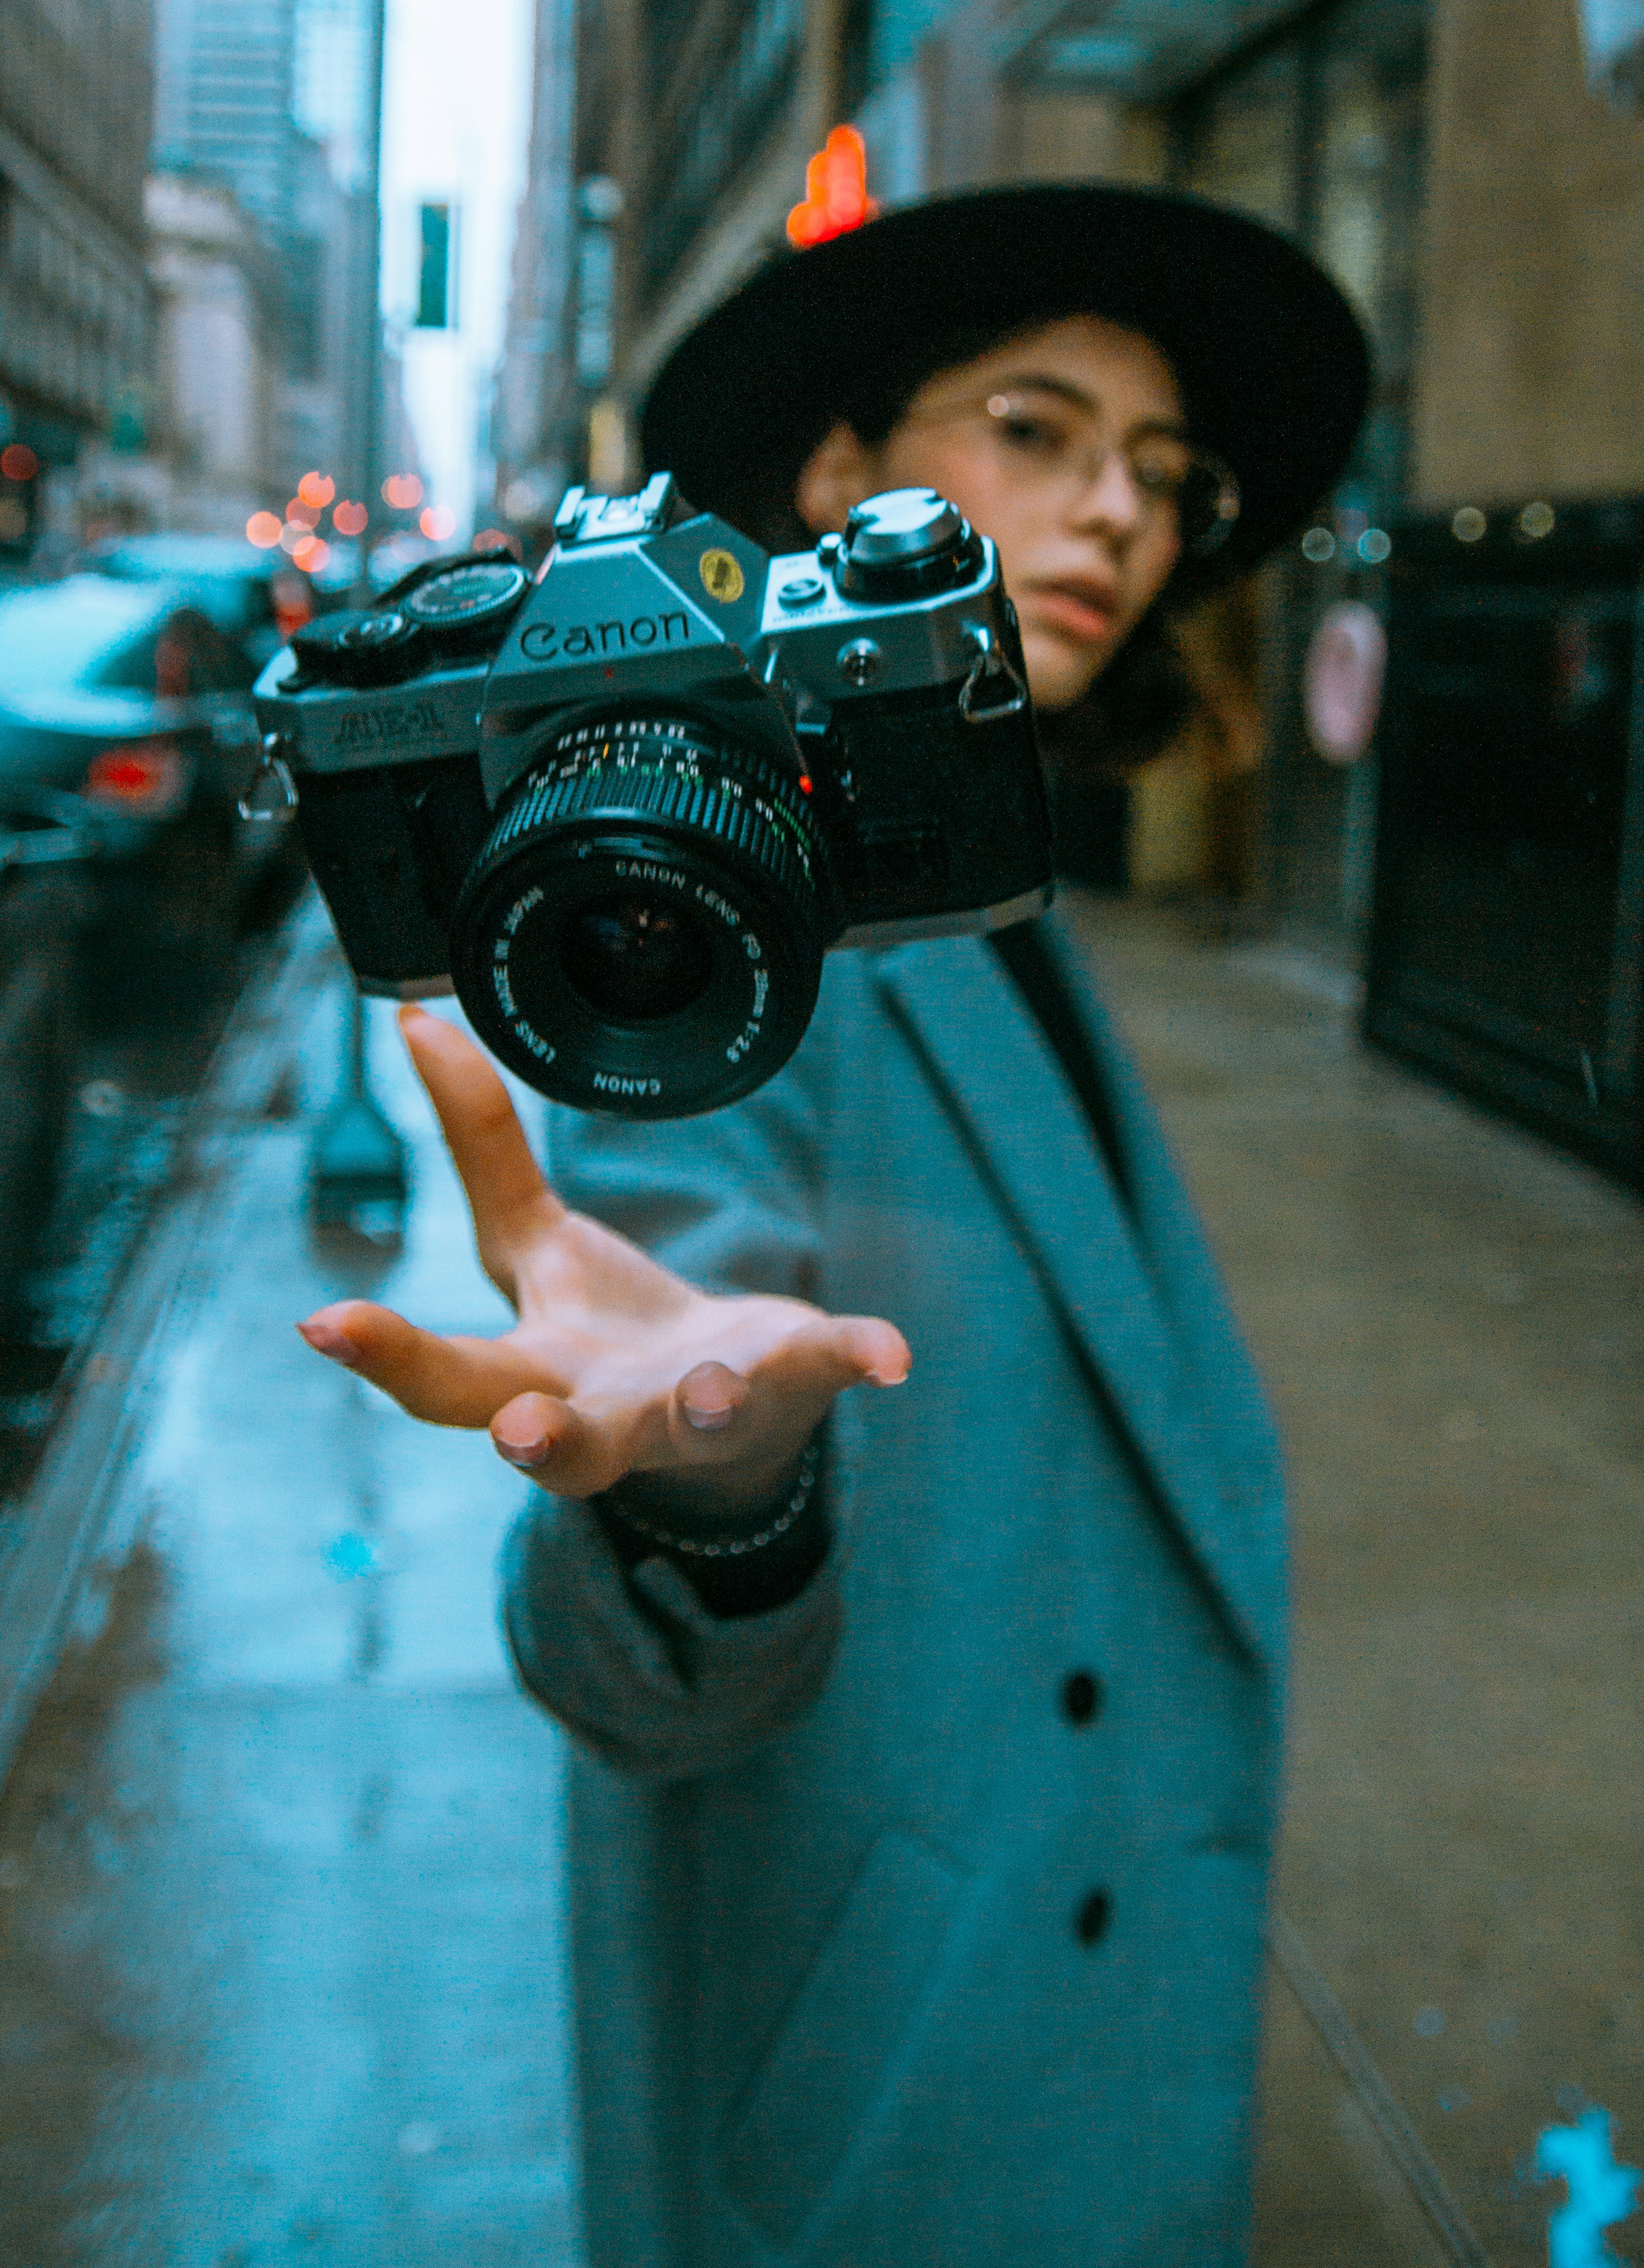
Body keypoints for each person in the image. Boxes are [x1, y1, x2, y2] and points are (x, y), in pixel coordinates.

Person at [297, 184, 1369, 2266]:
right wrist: (709, 1504)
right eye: (1036, 431)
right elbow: (643, 1557)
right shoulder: (712, 914)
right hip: (891, 2094)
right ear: (842, 481)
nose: (1120, 515)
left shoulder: (961, 860)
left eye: (1165, 474)